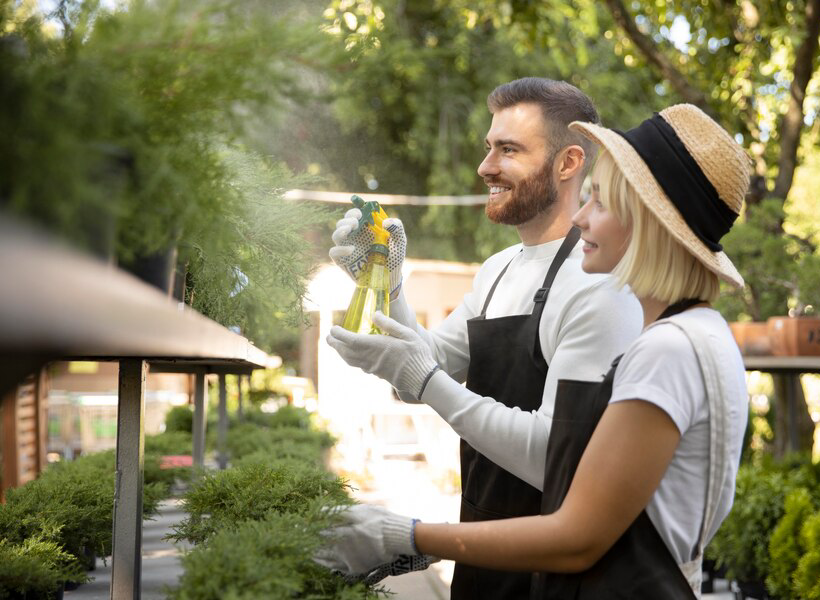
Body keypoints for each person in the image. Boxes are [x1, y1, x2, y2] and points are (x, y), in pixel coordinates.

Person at [317, 103, 752, 599]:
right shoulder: (696, 335)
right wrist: (387, 285)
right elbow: (426, 364)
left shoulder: (668, 349)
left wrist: (404, 536)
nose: (582, 218)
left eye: (602, 202)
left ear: (651, 222)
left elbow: (575, 533)